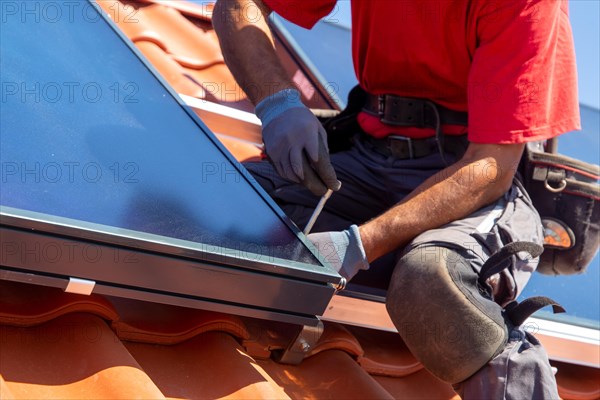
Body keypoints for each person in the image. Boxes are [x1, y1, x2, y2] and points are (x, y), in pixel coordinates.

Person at [213, 0, 580, 398]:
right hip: (365, 156)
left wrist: (354, 247)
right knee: (220, 204)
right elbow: (239, 5)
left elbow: (491, 166)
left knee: (434, 281)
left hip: (471, 176)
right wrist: (278, 103)